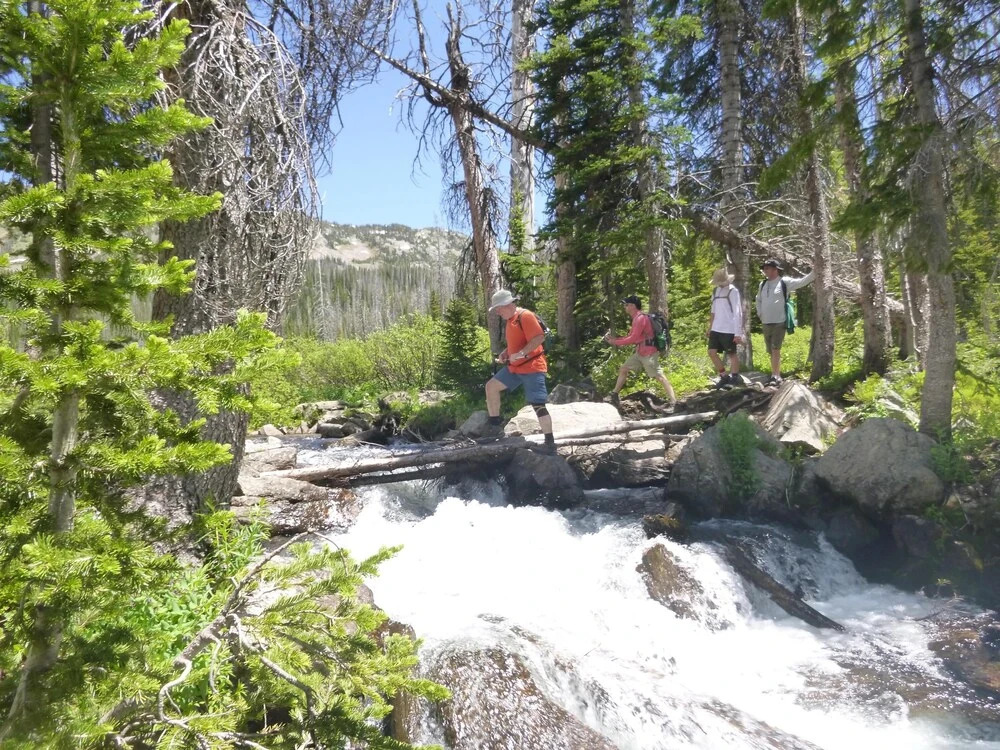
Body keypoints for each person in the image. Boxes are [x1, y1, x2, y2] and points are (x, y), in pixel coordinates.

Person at [483, 289, 556, 453]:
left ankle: (550, 443)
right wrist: (506, 353)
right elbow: (518, 342)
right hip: (515, 367)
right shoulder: (511, 320)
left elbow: (539, 338)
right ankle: (495, 428)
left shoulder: (525, 316)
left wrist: (521, 354)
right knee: (491, 386)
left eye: (498, 308)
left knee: (538, 405)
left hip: (532, 367)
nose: (497, 312)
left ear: (508, 304)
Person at [603, 295, 677, 413]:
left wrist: (615, 342)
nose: (625, 307)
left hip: (649, 353)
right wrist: (615, 340)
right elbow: (632, 337)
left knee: (660, 376)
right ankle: (614, 395)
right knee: (623, 369)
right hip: (640, 352)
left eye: (626, 305)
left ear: (633, 306)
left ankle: (674, 402)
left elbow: (633, 339)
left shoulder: (640, 319)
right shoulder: (636, 318)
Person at [755, 258, 814, 386]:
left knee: (775, 348)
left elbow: (802, 282)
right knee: (770, 350)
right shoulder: (762, 284)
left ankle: (776, 376)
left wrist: (814, 272)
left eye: (767, 268)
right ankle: (774, 372)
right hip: (766, 321)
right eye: (764, 268)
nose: (765, 270)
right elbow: (758, 299)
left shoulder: (784, 282)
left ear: (775, 270)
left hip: (779, 321)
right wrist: (760, 313)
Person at [707, 268, 744, 388]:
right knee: (712, 352)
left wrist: (738, 333)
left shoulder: (733, 291)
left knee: (731, 353)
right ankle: (724, 376)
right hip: (716, 328)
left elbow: (738, 312)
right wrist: (710, 327)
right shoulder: (715, 291)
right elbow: (713, 311)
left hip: (729, 328)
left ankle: (735, 377)